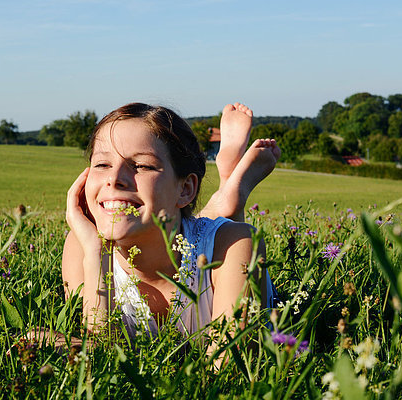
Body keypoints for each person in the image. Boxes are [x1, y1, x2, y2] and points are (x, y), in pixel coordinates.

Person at [60, 102, 281, 344]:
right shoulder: (82, 245)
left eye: (142, 166)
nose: (114, 179)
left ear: (185, 188)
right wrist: (95, 254)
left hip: (207, 244)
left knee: (214, 235)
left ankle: (230, 195)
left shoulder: (235, 245)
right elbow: (100, 359)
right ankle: (227, 193)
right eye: (102, 164)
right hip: (180, 221)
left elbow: (227, 370)